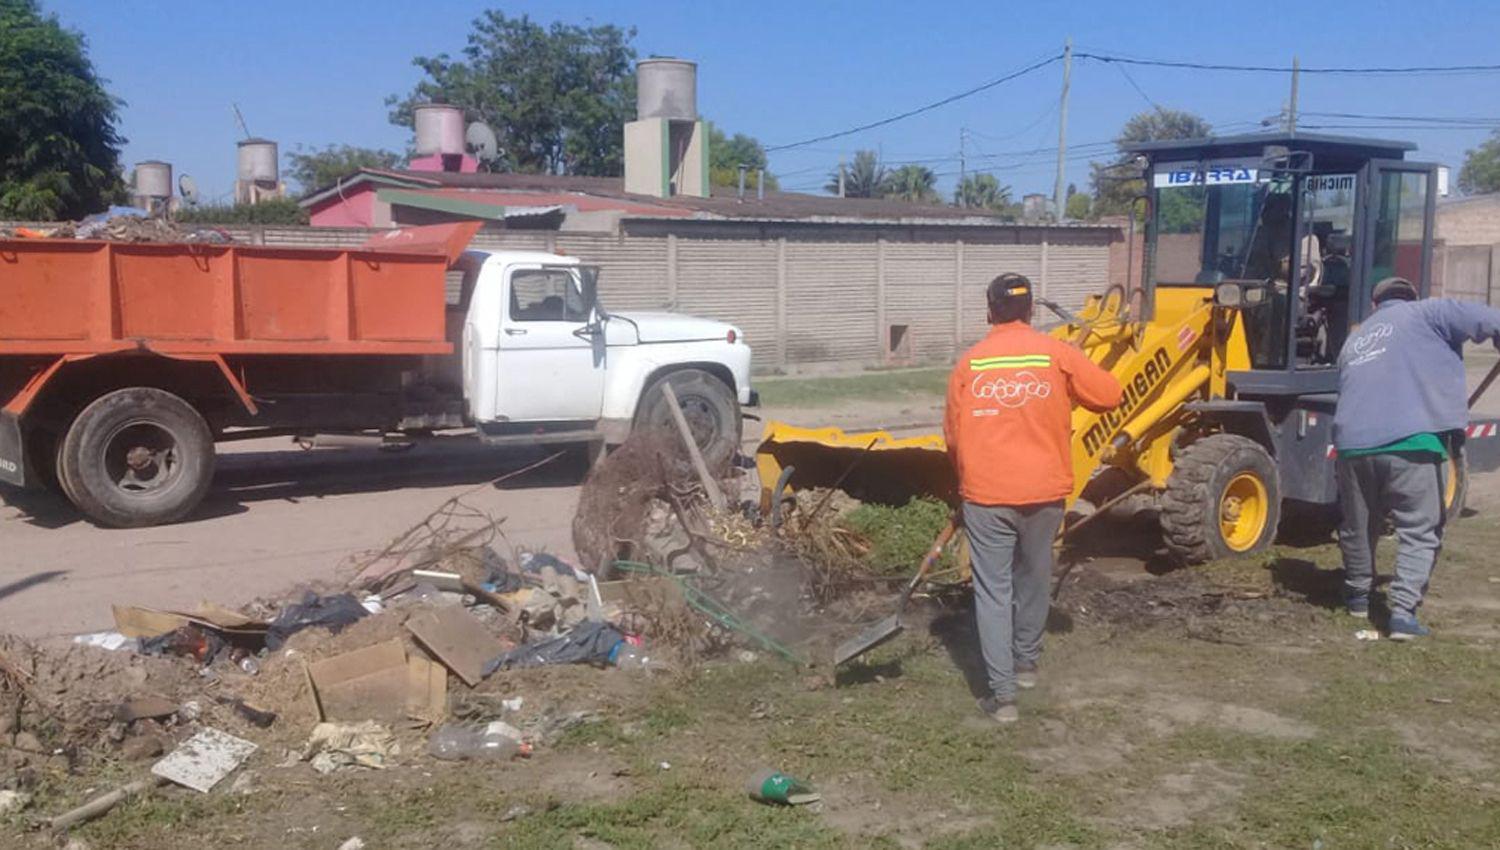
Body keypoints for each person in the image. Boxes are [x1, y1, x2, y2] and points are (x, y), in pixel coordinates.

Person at [943, 274, 1123, 723]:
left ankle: (1002, 697)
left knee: (993, 590)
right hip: (1044, 492)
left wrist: (964, 479)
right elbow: (1111, 395)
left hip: (986, 494)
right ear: (1029, 312)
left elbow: (951, 437)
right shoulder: (1057, 354)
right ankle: (1025, 665)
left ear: (989, 311)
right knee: (1035, 578)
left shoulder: (971, 364)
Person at [1333, 277, 1500, 639]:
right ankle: (1403, 614)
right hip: (1412, 441)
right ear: (1412, 297)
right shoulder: (1429, 312)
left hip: (1351, 445)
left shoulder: (1357, 337)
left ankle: (1358, 599)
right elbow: (1490, 319)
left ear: (1376, 305)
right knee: (1419, 528)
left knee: (1359, 526)